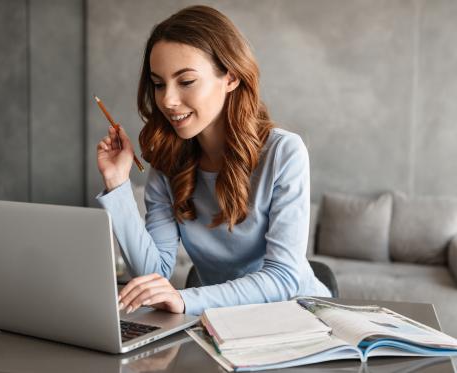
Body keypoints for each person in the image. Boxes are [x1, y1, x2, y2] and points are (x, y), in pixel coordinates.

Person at [96, 5, 331, 316]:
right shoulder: (168, 161)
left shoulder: (284, 153)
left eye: (186, 81)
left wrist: (186, 301)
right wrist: (117, 183)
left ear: (231, 77)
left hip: (299, 317)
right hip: (220, 323)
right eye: (158, 83)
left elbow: (283, 277)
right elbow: (154, 273)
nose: (167, 100)